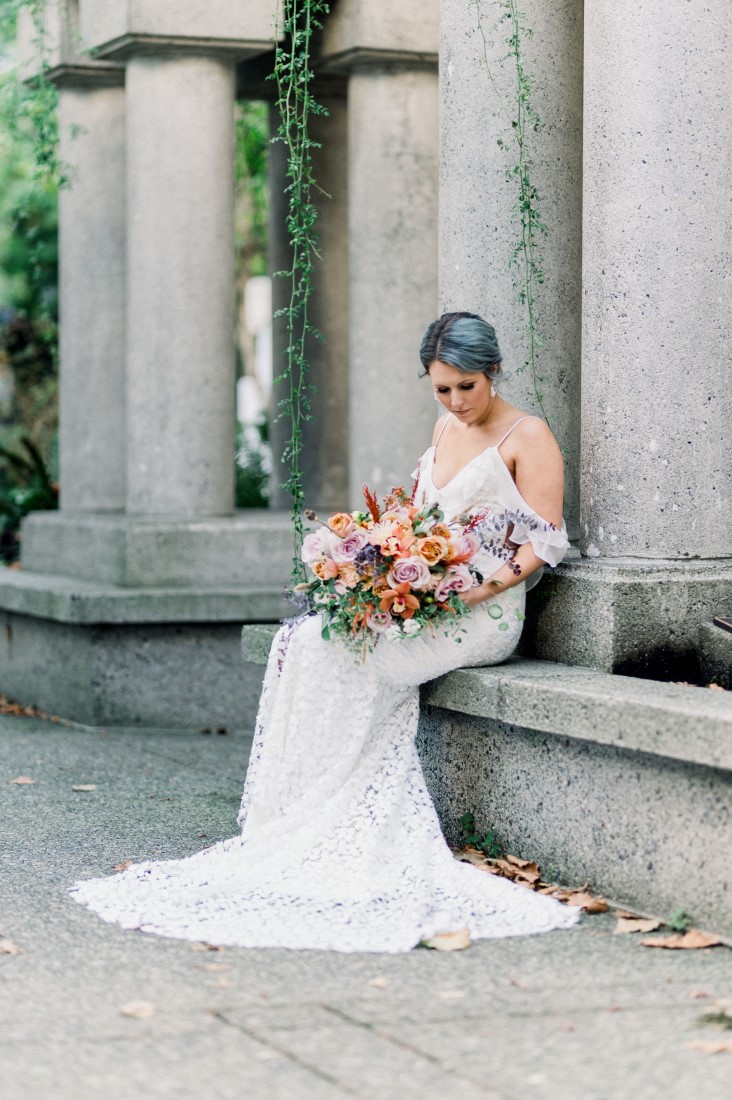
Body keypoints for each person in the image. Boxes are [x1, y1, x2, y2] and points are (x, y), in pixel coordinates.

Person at [69, 312, 580, 952]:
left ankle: (341, 817)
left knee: (348, 656)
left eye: (466, 387)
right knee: (308, 641)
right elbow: (418, 518)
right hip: (423, 598)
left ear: (493, 371)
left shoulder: (528, 436)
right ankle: (298, 817)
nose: (455, 401)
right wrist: (383, 565)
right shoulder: (445, 428)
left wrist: (473, 591)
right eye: (441, 389)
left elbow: (544, 542)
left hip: (483, 614)